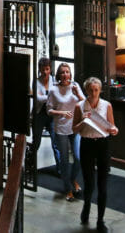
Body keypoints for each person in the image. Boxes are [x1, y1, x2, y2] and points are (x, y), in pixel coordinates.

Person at [73, 77, 118, 233]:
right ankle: (86, 206)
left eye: (96, 90)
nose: (93, 93)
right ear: (86, 91)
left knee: (103, 183)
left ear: (100, 90)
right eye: (91, 90)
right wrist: (83, 121)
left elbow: (112, 126)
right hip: (87, 144)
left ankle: (100, 219)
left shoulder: (107, 105)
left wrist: (114, 130)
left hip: (102, 145)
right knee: (89, 181)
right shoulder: (80, 106)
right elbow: (74, 129)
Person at [46, 62, 84, 202]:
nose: (65, 74)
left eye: (67, 72)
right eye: (62, 72)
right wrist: (61, 112)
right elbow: (48, 110)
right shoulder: (53, 90)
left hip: (75, 127)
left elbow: (85, 103)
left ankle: (73, 179)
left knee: (78, 157)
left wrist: (77, 94)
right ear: (58, 75)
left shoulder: (75, 86)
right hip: (61, 128)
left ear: (70, 73)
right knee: (64, 160)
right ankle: (68, 189)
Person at [31, 57, 61, 171]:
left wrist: (48, 97)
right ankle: (31, 166)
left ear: (50, 69)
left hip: (52, 115)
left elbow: (57, 97)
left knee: (55, 142)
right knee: (36, 142)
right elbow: (38, 99)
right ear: (39, 69)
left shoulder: (54, 81)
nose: (45, 72)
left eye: (47, 69)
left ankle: (60, 169)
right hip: (39, 114)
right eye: (42, 69)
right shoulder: (36, 81)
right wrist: (51, 96)